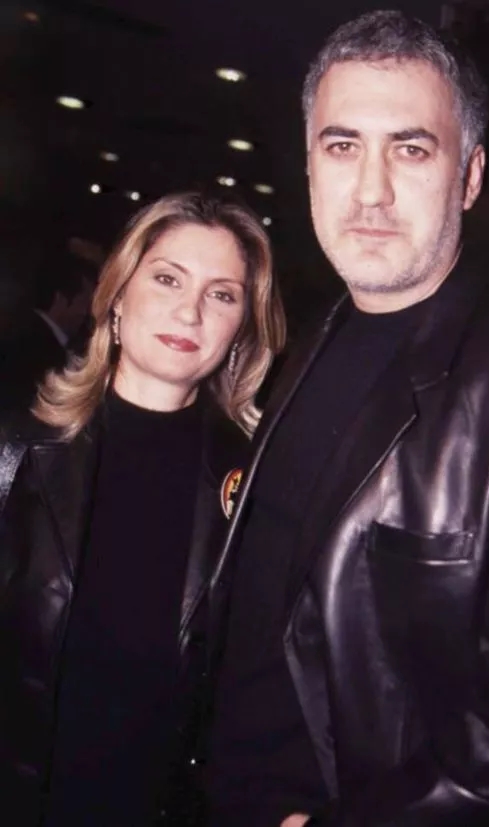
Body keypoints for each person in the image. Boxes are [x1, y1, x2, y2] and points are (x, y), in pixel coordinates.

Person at [205, 10, 489, 827]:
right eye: (342, 146)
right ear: (309, 165)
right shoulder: (310, 340)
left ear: (469, 176)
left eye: (410, 148)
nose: (371, 190)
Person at [0, 192, 286, 827]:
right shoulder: (16, 447)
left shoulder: (257, 485)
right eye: (167, 279)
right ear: (117, 295)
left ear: (243, 326)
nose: (190, 310)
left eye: (222, 294)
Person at [0, 240, 98, 413]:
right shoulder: (37, 349)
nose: (87, 312)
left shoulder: (24, 332)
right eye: (84, 302)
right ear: (61, 300)